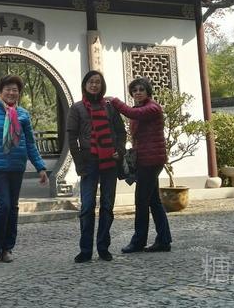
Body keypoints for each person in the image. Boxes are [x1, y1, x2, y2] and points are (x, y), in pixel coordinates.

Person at [0, 74, 49, 264]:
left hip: (17, 165)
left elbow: (30, 143)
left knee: (12, 207)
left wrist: (40, 167)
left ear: (19, 93)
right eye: (8, 89)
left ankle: (7, 249)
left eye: (15, 90)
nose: (11, 93)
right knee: (3, 205)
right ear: (0, 91)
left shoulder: (23, 114)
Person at [67, 70, 127, 263]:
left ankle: (103, 247)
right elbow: (72, 139)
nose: (94, 85)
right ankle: (85, 250)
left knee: (107, 206)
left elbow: (121, 132)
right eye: (91, 82)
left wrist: (120, 150)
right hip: (89, 161)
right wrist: (79, 163)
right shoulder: (77, 108)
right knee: (87, 206)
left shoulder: (110, 107)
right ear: (85, 85)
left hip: (109, 162)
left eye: (97, 82)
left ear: (102, 86)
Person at [112, 78, 172, 253]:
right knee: (154, 201)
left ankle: (138, 241)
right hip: (146, 160)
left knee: (141, 201)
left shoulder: (152, 108)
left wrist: (114, 101)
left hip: (151, 161)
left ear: (148, 92)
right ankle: (164, 240)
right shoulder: (140, 108)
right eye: (134, 90)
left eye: (141, 89)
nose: (137, 92)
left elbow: (132, 113)